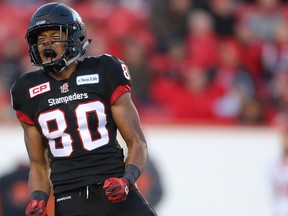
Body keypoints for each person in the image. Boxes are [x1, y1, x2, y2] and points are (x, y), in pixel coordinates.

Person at [10, 2, 157, 216]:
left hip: (114, 189)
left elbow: (137, 142)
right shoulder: (27, 89)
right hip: (70, 199)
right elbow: (38, 164)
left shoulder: (105, 70)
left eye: (54, 35)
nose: (46, 44)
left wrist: (127, 180)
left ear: (74, 37)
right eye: (40, 39)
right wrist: (38, 198)